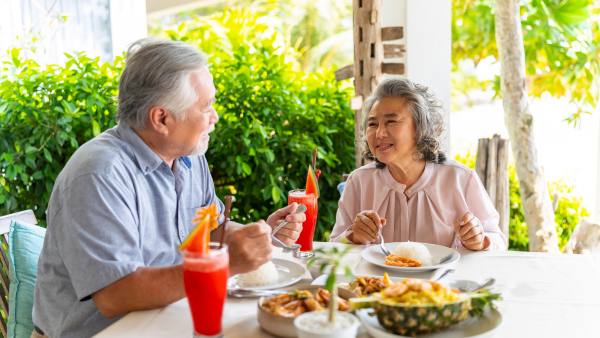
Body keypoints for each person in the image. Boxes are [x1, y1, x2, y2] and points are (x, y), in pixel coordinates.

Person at [32, 38, 305, 338]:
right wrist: (226, 263)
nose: (215, 118)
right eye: (206, 107)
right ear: (161, 118)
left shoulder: (189, 158)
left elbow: (208, 233)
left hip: (165, 319)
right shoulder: (99, 174)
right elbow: (115, 294)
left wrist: (253, 235)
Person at [330, 77, 507, 251]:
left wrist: (480, 240)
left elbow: (497, 239)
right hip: (377, 281)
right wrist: (353, 236)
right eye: (372, 124)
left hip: (443, 280)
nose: (379, 133)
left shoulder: (461, 178)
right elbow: (334, 247)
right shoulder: (359, 181)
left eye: (391, 121)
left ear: (420, 127)